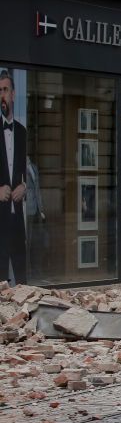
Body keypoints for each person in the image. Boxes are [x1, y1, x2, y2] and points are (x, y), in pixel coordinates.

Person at [0, 70, 27, 286]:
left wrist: (24, 186)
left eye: (5, 90)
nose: (2, 95)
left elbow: (25, 172)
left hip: (17, 218)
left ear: (13, 94)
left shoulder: (22, 131)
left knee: (23, 280)